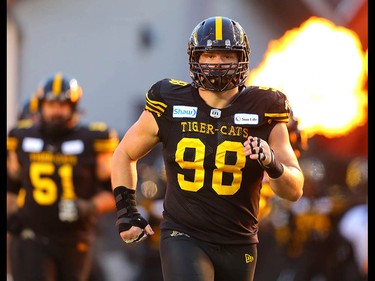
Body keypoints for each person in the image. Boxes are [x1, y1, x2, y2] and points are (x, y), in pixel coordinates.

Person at [111, 16, 304, 281]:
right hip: (183, 233)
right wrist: (127, 212)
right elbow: (124, 153)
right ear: (195, 59)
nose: (217, 64)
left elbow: (294, 190)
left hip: (239, 240)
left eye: (226, 55)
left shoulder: (264, 107)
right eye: (209, 55)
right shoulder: (169, 101)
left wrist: (273, 163)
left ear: (241, 59)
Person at [7, 72, 119, 281]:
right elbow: (11, 185)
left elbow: (115, 192)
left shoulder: (93, 140)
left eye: (62, 105)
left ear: (73, 106)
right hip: (33, 236)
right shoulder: (22, 137)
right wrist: (12, 216)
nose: (56, 111)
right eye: (51, 104)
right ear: (40, 105)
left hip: (74, 238)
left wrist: (87, 207)